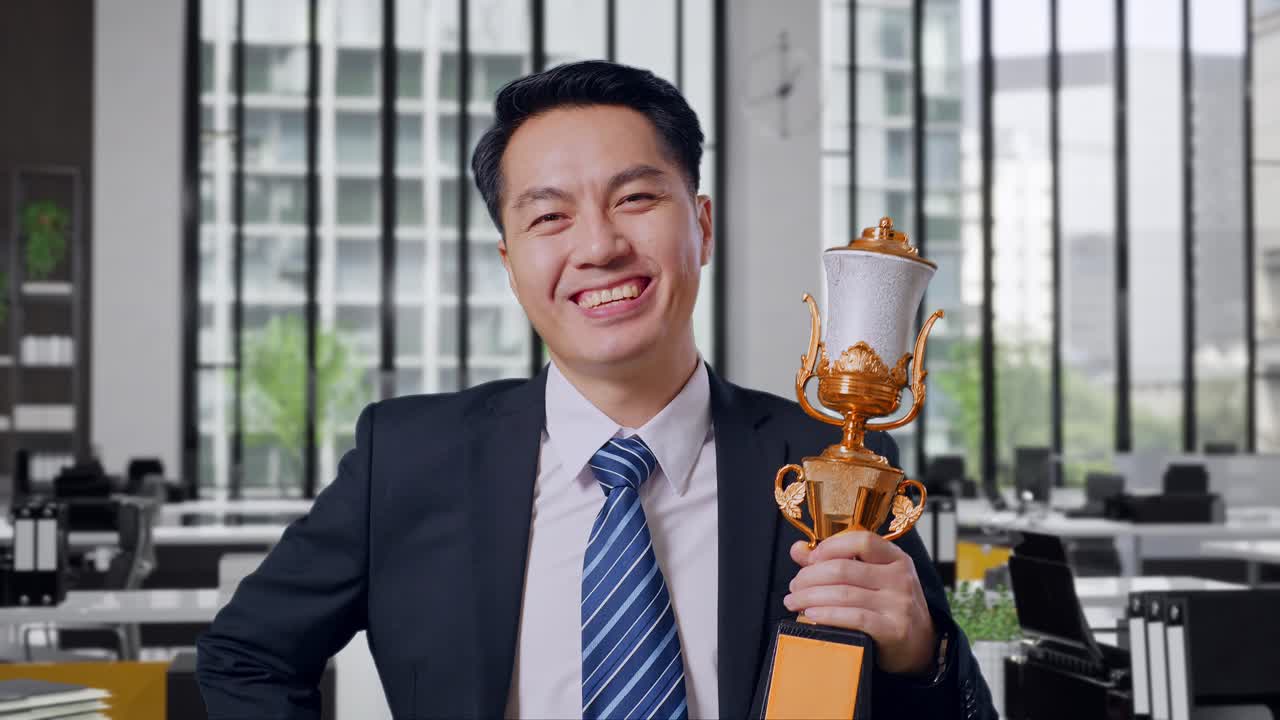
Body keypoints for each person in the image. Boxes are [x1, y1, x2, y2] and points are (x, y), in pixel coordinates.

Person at [197, 60, 996, 720]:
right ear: (510, 264)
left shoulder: (826, 462)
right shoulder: (408, 458)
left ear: (703, 226)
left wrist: (918, 655)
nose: (600, 246)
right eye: (549, 218)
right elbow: (245, 658)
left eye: (636, 198)